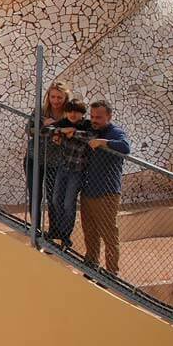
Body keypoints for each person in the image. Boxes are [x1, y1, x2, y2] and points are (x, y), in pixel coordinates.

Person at [79, 101, 130, 275]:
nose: (94, 120)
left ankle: (111, 273)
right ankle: (91, 266)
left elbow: (125, 147)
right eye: (92, 116)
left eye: (99, 117)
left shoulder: (115, 133)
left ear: (109, 116)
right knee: (90, 233)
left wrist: (103, 142)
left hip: (107, 193)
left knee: (109, 234)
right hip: (88, 191)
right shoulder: (90, 130)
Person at [46, 100, 91, 248]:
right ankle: (59, 231)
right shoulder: (64, 123)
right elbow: (45, 131)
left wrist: (74, 133)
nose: (72, 114)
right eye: (70, 111)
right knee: (55, 200)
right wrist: (61, 131)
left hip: (77, 172)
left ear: (82, 114)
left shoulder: (87, 125)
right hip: (63, 168)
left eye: (76, 112)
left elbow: (92, 137)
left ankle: (65, 235)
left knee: (68, 204)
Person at [26, 81, 71, 212]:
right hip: (34, 158)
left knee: (54, 197)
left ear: (65, 98)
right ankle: (35, 229)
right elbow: (29, 130)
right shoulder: (41, 111)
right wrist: (43, 126)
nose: (55, 100)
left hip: (55, 162)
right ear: (48, 97)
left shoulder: (69, 115)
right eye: (53, 97)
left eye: (59, 97)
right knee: (35, 195)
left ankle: (54, 230)